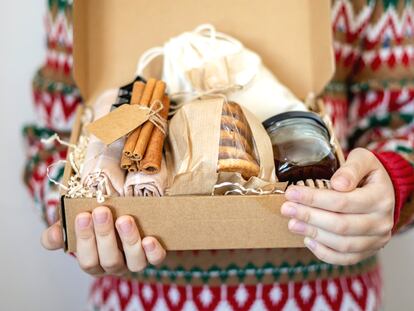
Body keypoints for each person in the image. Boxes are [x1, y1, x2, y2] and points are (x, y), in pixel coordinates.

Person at [25, 0, 414, 309]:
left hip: (329, 294)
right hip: (144, 298)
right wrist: (76, 217)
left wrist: (393, 183)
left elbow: (403, 123)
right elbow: (51, 140)